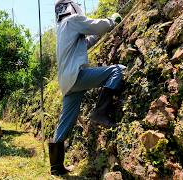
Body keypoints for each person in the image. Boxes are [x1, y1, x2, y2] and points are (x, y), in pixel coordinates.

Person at [49, 0, 125, 176]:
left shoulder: (62, 27)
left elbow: (85, 43)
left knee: (66, 122)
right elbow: (96, 25)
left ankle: (56, 167)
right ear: (71, 7)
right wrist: (112, 20)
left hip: (67, 83)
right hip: (77, 76)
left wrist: (98, 34)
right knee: (116, 71)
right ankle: (100, 112)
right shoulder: (73, 20)